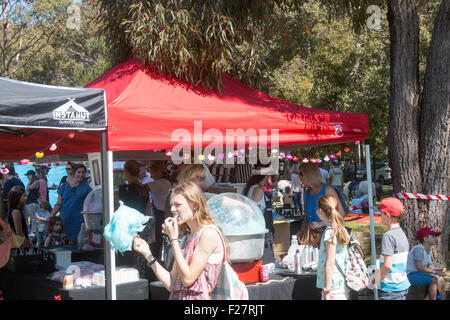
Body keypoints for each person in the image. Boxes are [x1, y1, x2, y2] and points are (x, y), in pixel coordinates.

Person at [133, 181, 228, 300]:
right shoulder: (186, 239)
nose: (172, 209)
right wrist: (148, 254)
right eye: (171, 204)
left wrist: (173, 239)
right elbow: (172, 284)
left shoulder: (208, 234)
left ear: (195, 205)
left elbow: (188, 279)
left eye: (177, 205)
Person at [298, 163, 344, 246]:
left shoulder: (327, 190)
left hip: (327, 236)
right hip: (310, 237)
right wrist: (302, 231)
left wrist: (321, 223)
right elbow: (306, 216)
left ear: (309, 174)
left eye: (301, 174)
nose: (299, 177)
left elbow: (341, 214)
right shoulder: (306, 193)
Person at [316, 194, 350, 300]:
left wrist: (327, 289)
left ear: (321, 211)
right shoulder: (341, 229)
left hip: (333, 286)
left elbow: (330, 263)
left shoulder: (330, 233)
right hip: (341, 282)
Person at [375, 197, 410, 300]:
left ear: (388, 216)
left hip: (390, 289)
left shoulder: (388, 236)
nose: (379, 216)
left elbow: (387, 265)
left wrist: (375, 280)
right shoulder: (402, 234)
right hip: (401, 285)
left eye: (381, 213)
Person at [51, 163, 91, 244]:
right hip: (64, 219)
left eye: (83, 172)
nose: (81, 174)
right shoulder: (64, 186)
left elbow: (90, 204)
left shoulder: (87, 188)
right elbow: (58, 203)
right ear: (74, 173)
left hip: (78, 220)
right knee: (63, 243)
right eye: (79, 172)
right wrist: (51, 216)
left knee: (76, 243)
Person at [243, 167, 276, 264]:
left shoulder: (253, 188)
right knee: (266, 262)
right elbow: (254, 212)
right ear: (265, 176)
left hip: (262, 231)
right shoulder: (257, 190)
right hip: (261, 232)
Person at [406, 227, 446, 300]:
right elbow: (419, 267)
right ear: (425, 239)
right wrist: (435, 272)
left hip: (421, 274)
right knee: (433, 280)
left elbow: (430, 266)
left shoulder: (428, 250)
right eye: (433, 236)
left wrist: (439, 272)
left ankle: (430, 298)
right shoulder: (419, 249)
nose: (435, 238)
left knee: (441, 280)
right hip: (412, 275)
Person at [24, 170, 40, 234]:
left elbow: (28, 188)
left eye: (28, 175)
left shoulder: (36, 182)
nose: (27, 177)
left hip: (32, 202)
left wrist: (30, 180)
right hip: (29, 202)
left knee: (33, 219)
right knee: (26, 218)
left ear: (31, 175)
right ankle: (29, 231)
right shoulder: (33, 182)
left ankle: (33, 232)